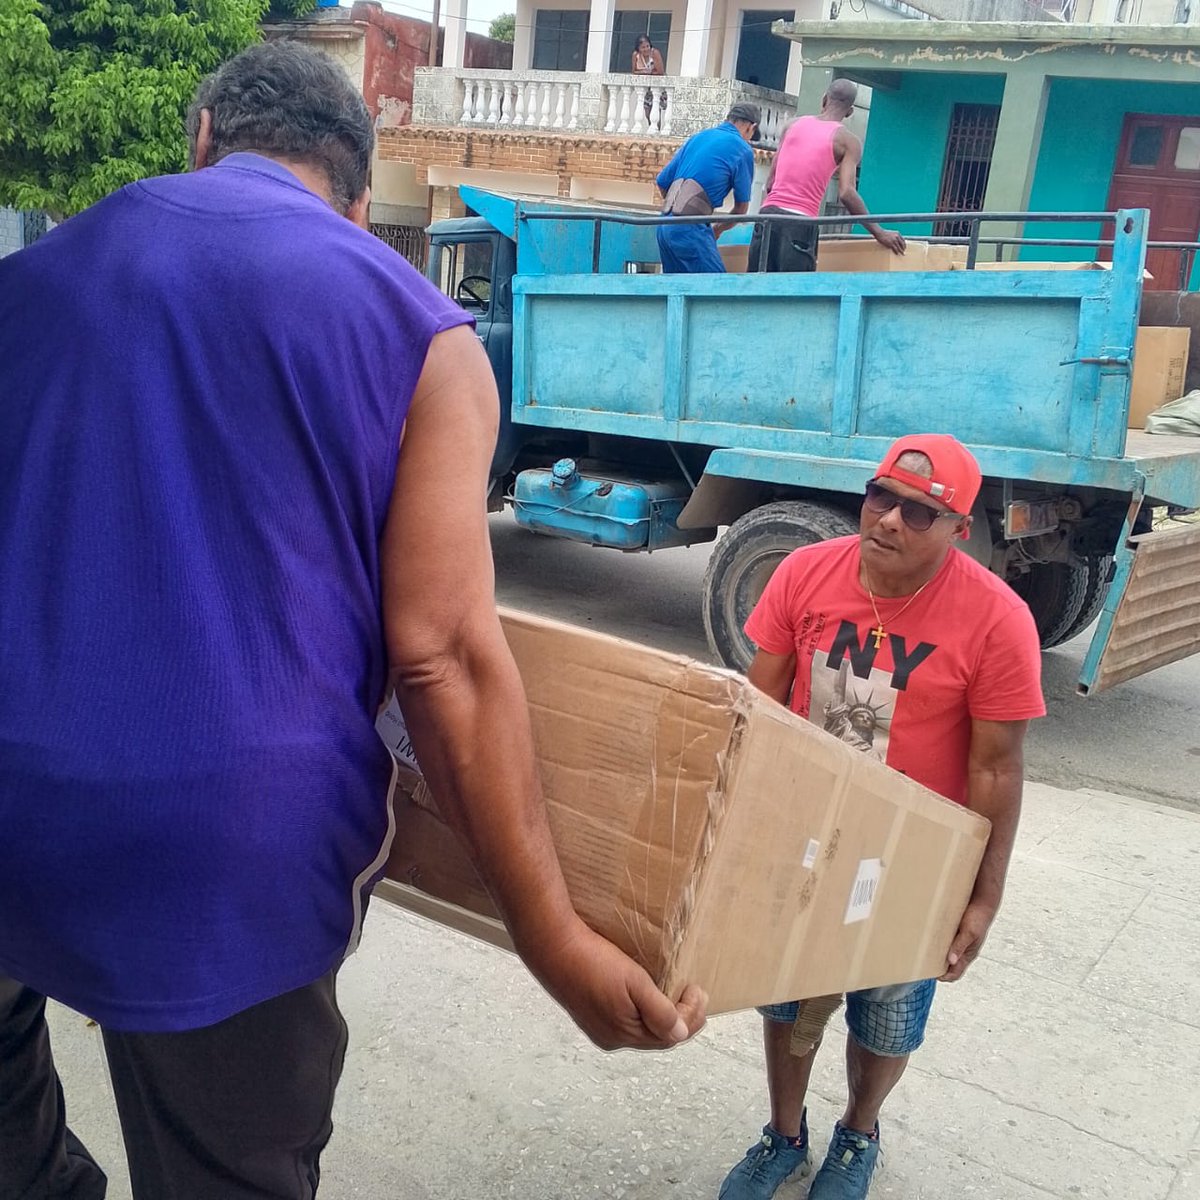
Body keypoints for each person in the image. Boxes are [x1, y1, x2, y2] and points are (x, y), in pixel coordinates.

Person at [0, 42, 705, 1200]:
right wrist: (557, 941)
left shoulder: (31, 280)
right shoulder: (422, 333)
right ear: (359, 190)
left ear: (203, 137)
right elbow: (443, 657)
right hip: (224, 848)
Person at [718, 434, 1045, 1200]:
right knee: (787, 996)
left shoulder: (997, 621)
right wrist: (736, 826)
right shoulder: (802, 573)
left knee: (886, 1016)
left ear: (959, 530)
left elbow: (996, 767)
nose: (891, 520)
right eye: (881, 497)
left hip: (915, 858)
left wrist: (983, 894)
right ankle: (784, 1133)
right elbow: (757, 709)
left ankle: (858, 1134)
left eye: (921, 514)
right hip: (805, 834)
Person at [748, 78, 905, 273]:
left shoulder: (792, 126)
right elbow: (846, 192)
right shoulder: (848, 141)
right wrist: (879, 233)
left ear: (824, 99)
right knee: (793, 297)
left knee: (756, 289)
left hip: (767, 217)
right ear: (850, 111)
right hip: (800, 222)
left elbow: (771, 182)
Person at [655, 103, 758, 273]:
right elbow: (741, 208)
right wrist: (717, 229)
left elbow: (662, 181)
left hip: (663, 226)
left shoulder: (699, 137)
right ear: (751, 127)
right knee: (715, 290)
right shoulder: (743, 149)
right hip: (691, 228)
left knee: (674, 290)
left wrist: (676, 209)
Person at [631, 33, 666, 126]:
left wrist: (647, 73)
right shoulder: (636, 55)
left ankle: (656, 131)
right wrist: (645, 72)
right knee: (647, 113)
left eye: (647, 46)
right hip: (646, 87)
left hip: (656, 86)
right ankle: (652, 128)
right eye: (643, 47)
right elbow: (634, 71)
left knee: (655, 110)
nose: (646, 49)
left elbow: (660, 71)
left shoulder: (654, 53)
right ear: (638, 48)